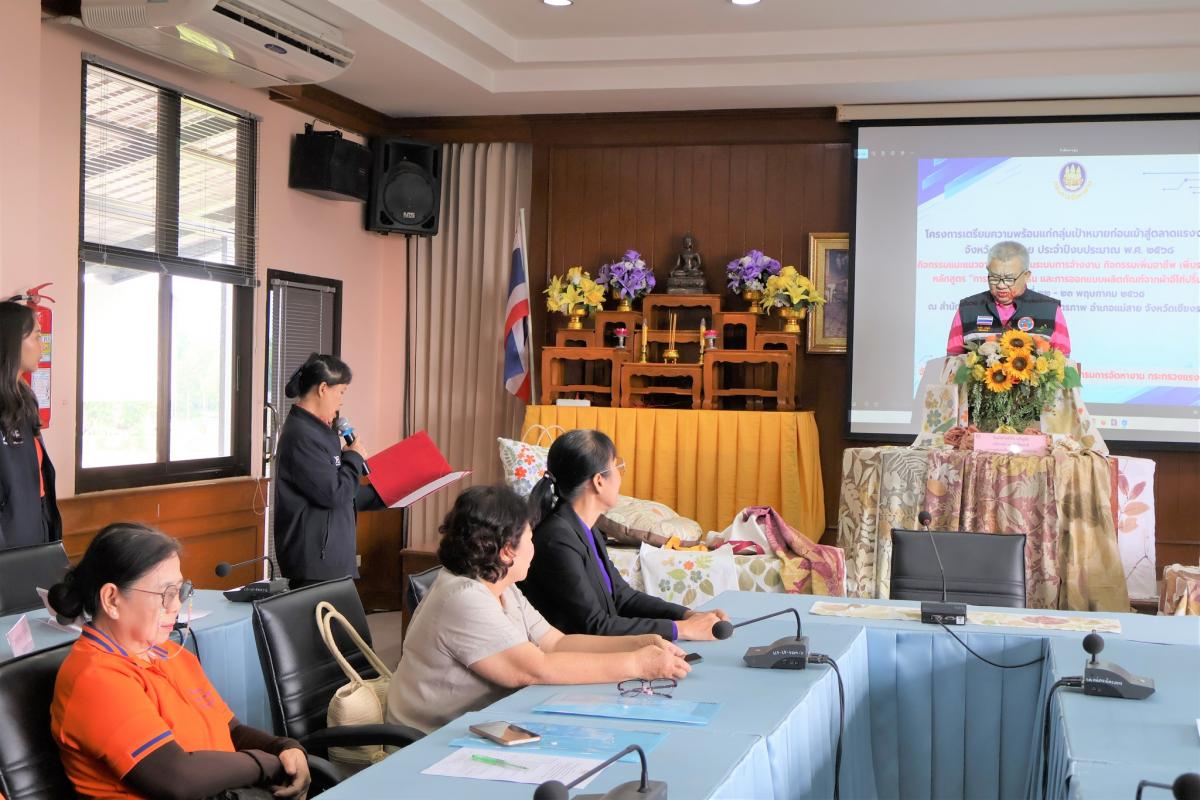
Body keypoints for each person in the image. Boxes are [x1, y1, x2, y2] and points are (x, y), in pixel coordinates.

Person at [387, 485, 690, 734]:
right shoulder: (464, 597)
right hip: (428, 742)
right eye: (530, 537)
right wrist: (637, 665)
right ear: (507, 551)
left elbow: (556, 643)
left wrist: (638, 643)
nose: (534, 546)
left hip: (483, 726)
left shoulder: (500, 585)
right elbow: (535, 668)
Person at [48, 523, 310, 799]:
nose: (176, 606)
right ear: (112, 599)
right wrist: (267, 765)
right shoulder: (95, 678)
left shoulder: (170, 653)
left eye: (180, 591)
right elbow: (177, 778)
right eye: (166, 594)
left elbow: (230, 729)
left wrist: (283, 748)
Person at [520, 429, 729, 640]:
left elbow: (623, 597)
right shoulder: (556, 539)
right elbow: (595, 626)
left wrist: (688, 616)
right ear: (599, 481)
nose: (620, 476)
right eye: (616, 466)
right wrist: (681, 629)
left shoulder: (588, 529)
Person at [273, 353, 382, 585]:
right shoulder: (301, 435)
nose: (341, 401)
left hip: (330, 559)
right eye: (341, 392)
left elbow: (344, 493)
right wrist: (353, 457)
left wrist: (390, 494)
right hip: (314, 562)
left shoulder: (320, 432)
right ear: (323, 388)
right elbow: (333, 494)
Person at [0, 299, 60, 550]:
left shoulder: (25, 399)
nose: (41, 346)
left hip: (35, 521)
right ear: (12, 340)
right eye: (36, 336)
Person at [946, 241, 1071, 355]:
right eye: (994, 277)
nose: (1001, 285)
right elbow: (951, 364)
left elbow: (1064, 364)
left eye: (1009, 279)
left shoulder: (1050, 309)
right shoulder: (968, 309)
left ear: (1026, 276)